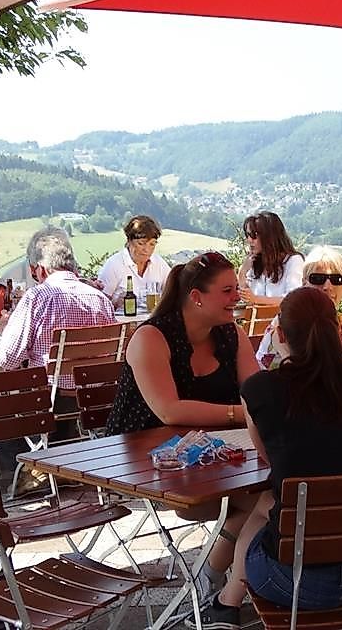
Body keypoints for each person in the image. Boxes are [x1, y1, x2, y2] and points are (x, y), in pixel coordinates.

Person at [196, 287, 342, 629]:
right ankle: (224, 599)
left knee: (267, 501)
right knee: (280, 500)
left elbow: (268, 457)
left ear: (281, 335)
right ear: (338, 330)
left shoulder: (260, 390)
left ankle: (227, 603)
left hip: (294, 582)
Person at [104, 251, 260, 602]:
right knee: (264, 498)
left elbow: (256, 392)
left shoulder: (230, 334)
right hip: (145, 461)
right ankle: (217, 579)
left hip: (210, 455)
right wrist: (242, 414)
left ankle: (214, 576)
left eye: (236, 289)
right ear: (196, 297)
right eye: (227, 291)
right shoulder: (152, 337)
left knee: (274, 493)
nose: (237, 298)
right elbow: (169, 411)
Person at [0, 227, 116, 495]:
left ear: (39, 269)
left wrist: (6, 331)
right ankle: (61, 464)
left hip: (48, 398)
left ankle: (25, 473)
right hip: (94, 399)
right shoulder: (100, 299)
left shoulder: (38, 297)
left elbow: (7, 360)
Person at [255, 246, 342, 374]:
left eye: (336, 279)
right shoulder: (287, 323)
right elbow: (300, 373)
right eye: (317, 278)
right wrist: (340, 360)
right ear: (304, 283)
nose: (328, 286)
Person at [97, 215, 172, 310]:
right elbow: (99, 305)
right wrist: (115, 304)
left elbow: (174, 292)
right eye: (141, 243)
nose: (147, 249)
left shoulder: (159, 263)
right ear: (129, 241)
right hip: (123, 318)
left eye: (152, 244)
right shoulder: (114, 265)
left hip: (153, 318)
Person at [236, 212, 303, 306]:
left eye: (254, 235)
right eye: (247, 235)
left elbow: (293, 299)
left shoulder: (293, 261)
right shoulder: (254, 262)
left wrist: (256, 299)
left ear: (269, 236)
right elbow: (247, 300)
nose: (249, 240)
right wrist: (242, 272)